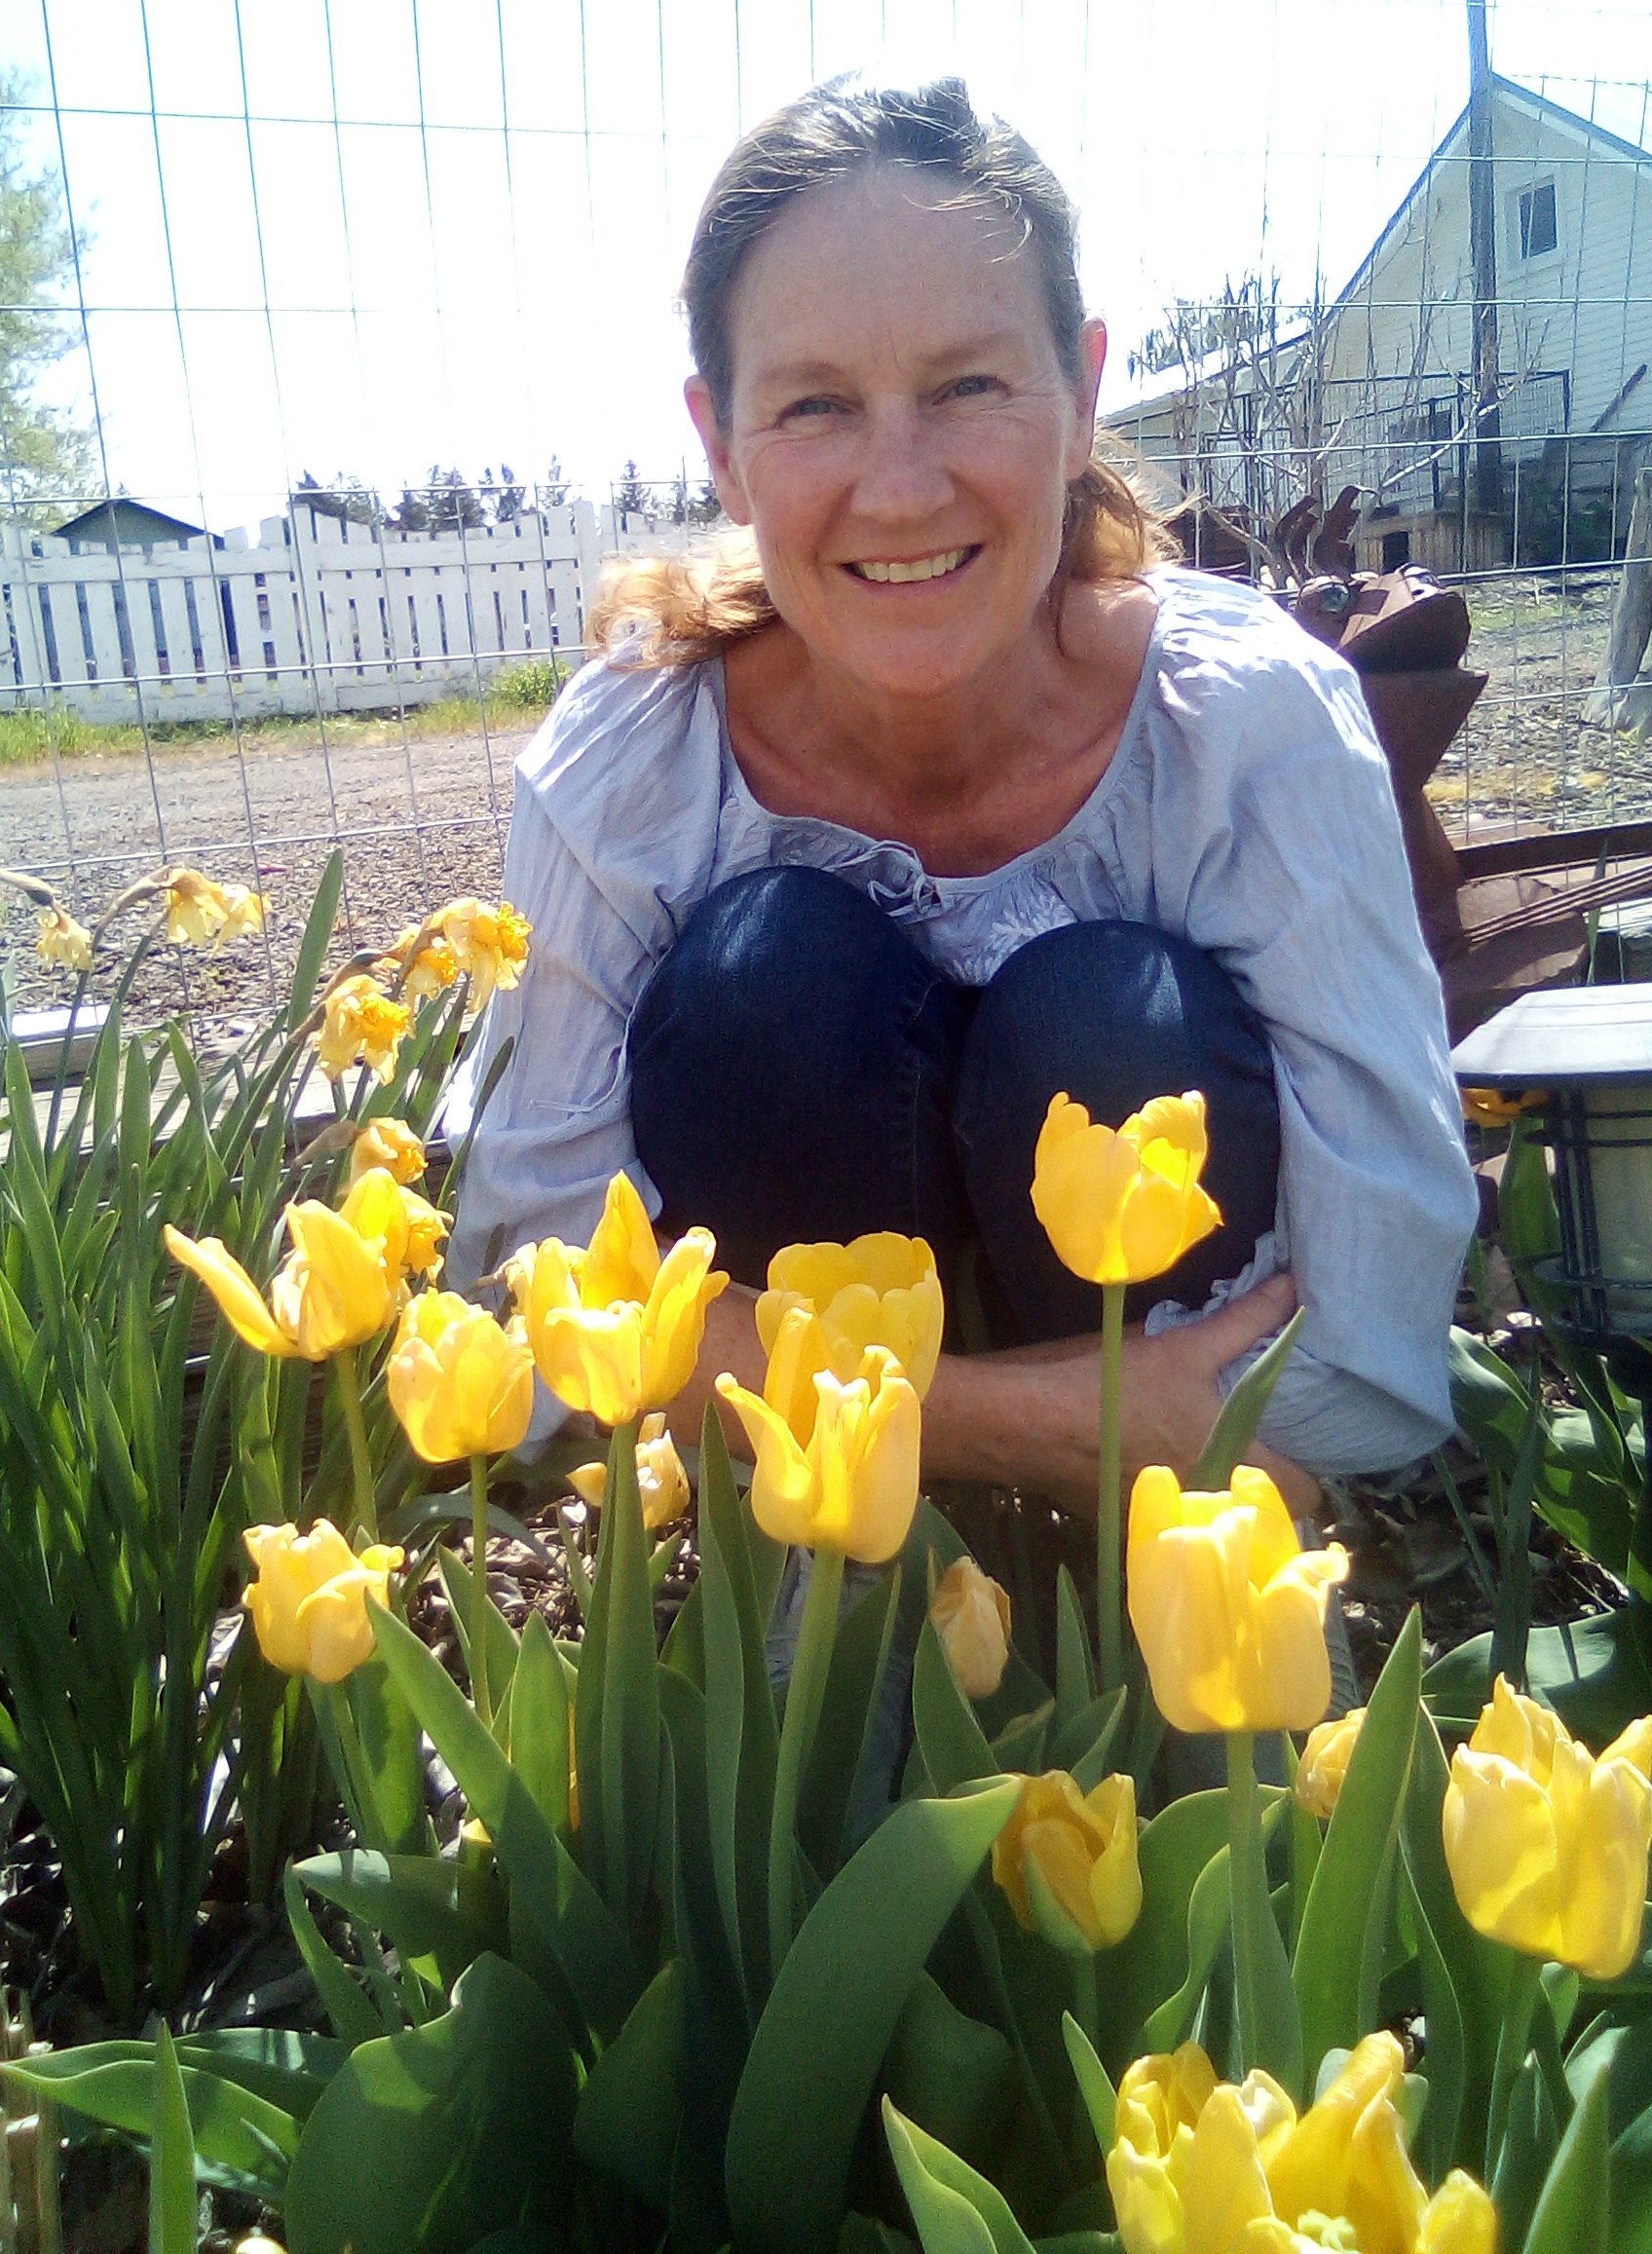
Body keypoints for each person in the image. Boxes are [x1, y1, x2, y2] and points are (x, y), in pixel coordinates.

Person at [444, 76, 1479, 1525]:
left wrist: (790, 1398)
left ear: (1083, 395)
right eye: (816, 405)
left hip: (1166, 1553)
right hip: (995, 1490)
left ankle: (1115, 1623)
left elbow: (1372, 1364)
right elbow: (531, 1305)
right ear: (723, 445)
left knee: (1113, 1021)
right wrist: (1073, 1419)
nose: (902, 484)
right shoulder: (637, 761)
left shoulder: (1246, 729)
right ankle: (862, 1609)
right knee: (768, 986)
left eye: (968, 386)